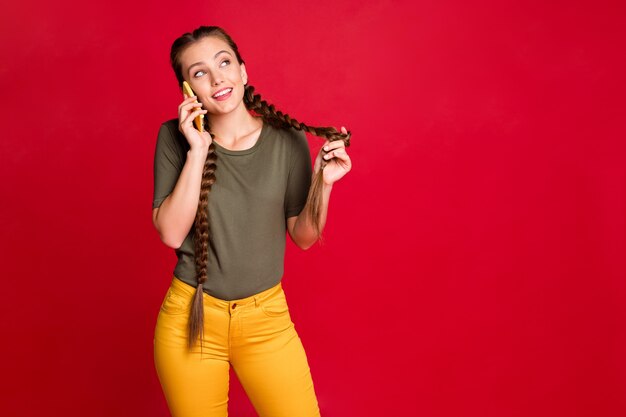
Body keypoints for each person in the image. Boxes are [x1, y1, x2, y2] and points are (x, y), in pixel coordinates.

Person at [151, 25, 352, 417]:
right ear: (188, 92)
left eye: (224, 63)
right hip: (191, 321)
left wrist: (323, 185)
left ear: (243, 71)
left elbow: (304, 237)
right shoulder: (173, 139)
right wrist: (197, 149)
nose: (217, 78)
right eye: (199, 73)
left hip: (267, 320)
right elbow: (172, 232)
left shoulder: (286, 140)